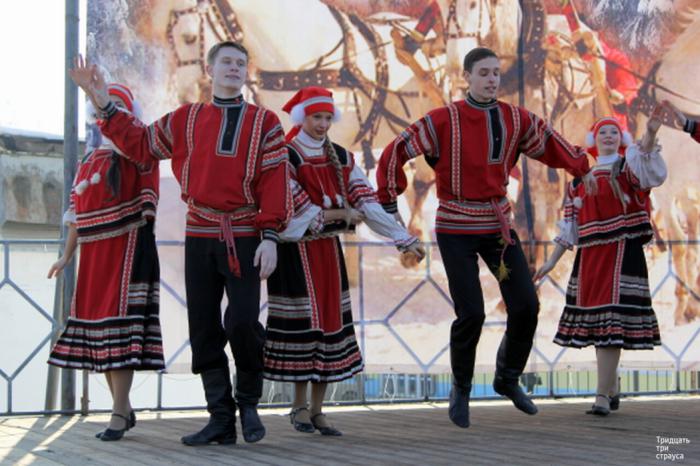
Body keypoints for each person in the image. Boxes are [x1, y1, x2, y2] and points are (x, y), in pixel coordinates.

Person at [69, 42, 291, 446]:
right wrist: (101, 100)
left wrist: (271, 236)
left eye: (240, 63)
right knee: (203, 326)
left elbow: (275, 181)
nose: (234, 68)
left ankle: (248, 403)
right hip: (200, 232)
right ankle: (220, 418)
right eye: (226, 62)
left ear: (246, 72)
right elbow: (141, 144)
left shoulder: (266, 122)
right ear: (210, 69)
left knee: (243, 322)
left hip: (244, 233)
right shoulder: (186, 118)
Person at [376, 47, 595, 428]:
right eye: (484, 73)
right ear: (467, 77)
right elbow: (397, 149)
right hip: (456, 229)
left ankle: (507, 377)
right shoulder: (443, 120)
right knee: (472, 313)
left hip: (497, 230)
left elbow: (550, 142)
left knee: (525, 305)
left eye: (496, 72)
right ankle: (461, 388)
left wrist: (581, 167)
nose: (492, 79)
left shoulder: (514, 118)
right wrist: (388, 196)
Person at [264, 87, 425, 436]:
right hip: (296, 255)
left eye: (327, 118)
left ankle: (318, 410)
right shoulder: (286, 157)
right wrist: (341, 215)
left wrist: (403, 237)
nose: (322, 124)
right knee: (305, 328)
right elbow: (295, 214)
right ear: (302, 118)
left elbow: (366, 202)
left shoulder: (341, 156)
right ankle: (298, 407)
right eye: (316, 117)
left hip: (327, 253)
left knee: (330, 326)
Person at [47, 83, 164, 441]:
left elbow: (148, 205)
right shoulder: (88, 161)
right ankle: (122, 407)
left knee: (120, 331)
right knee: (102, 335)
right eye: (100, 108)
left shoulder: (139, 153)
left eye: (112, 107)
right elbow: (75, 216)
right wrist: (67, 255)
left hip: (127, 249)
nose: (105, 113)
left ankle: (118, 411)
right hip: (95, 255)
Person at [535, 108, 666, 415]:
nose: (609, 136)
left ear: (621, 139)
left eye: (614, 132)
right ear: (594, 140)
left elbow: (646, 162)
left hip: (621, 251)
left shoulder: (626, 169)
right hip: (591, 256)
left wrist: (651, 133)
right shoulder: (579, 183)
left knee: (611, 325)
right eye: (603, 132)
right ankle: (611, 387)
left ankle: (601, 397)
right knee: (602, 327)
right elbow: (570, 227)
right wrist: (551, 261)